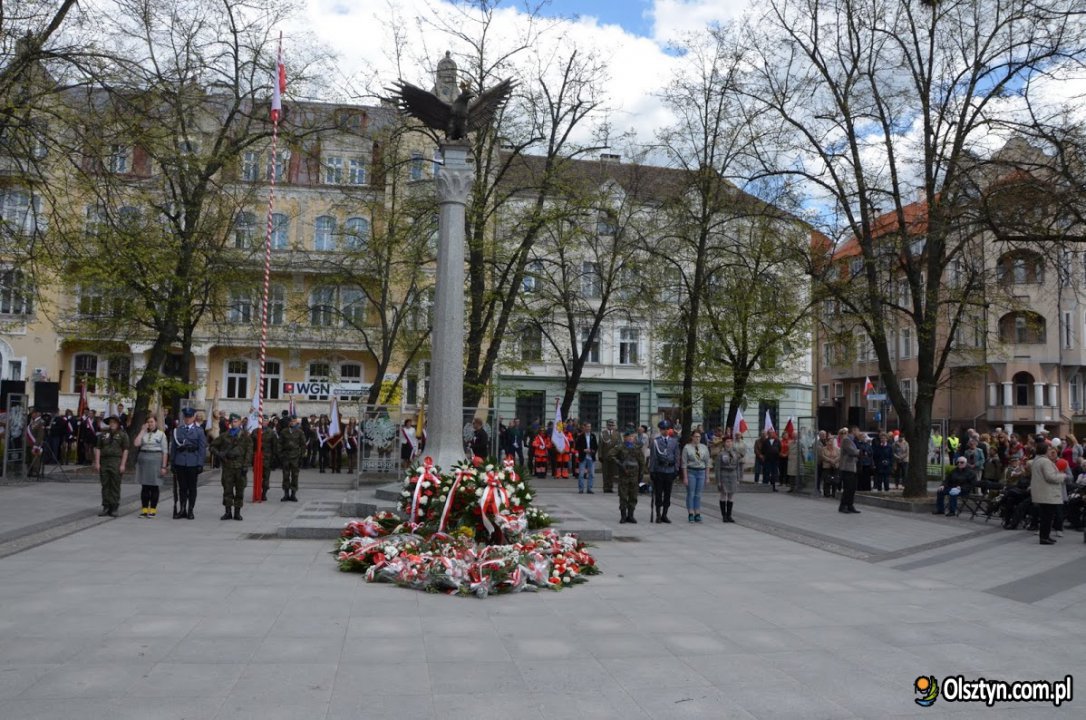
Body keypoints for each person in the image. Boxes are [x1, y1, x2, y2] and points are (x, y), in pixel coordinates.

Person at [211, 413, 252, 521]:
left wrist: (246, 465)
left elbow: (249, 451)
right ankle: (228, 512)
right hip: (228, 466)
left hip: (240, 467)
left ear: (239, 422)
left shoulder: (245, 436)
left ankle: (237, 512)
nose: (233, 424)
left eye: (235, 421)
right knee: (227, 490)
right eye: (232, 422)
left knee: (240, 490)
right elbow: (212, 446)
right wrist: (219, 454)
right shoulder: (224, 435)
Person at [171, 407, 207, 519]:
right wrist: (172, 463)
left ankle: (190, 510)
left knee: (192, 488)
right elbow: (173, 447)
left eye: (189, 417)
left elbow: (202, 449)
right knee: (182, 487)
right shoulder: (178, 430)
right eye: (185, 417)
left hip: (193, 462)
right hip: (180, 462)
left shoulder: (199, 431)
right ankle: (182, 509)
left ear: (193, 417)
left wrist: (200, 464)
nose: (187, 419)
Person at [607, 426, 645, 524]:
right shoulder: (620, 446)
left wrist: (641, 474)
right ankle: (623, 516)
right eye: (629, 437)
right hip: (624, 476)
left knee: (633, 496)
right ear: (625, 437)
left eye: (632, 436)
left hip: (634, 476)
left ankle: (631, 515)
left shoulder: (637, 447)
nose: (631, 438)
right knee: (623, 496)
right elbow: (610, 455)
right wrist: (619, 463)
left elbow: (641, 461)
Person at [94, 415, 129, 517]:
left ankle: (114, 507)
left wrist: (123, 464)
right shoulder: (103, 434)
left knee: (115, 484)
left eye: (114, 422)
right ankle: (106, 506)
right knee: (105, 484)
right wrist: (97, 462)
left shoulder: (123, 435)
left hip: (116, 461)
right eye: (111, 422)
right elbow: (98, 448)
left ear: (118, 424)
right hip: (104, 461)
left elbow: (125, 450)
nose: (112, 424)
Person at [133, 416, 169, 518]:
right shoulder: (143, 433)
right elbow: (136, 444)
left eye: (152, 422)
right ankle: (144, 510)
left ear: (156, 423)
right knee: (145, 486)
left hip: (156, 459)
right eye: (148, 422)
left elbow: (165, 452)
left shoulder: (161, 434)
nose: (150, 424)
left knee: (154, 486)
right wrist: (142, 431)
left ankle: (152, 509)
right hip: (143, 459)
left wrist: (164, 466)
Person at [1030, 443, 1064, 545]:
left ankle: (1045, 536)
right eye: (1049, 449)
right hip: (1047, 493)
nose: (1051, 451)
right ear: (1045, 450)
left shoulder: (1037, 460)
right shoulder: (1045, 462)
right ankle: (1044, 537)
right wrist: (1062, 476)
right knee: (1047, 517)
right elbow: (1050, 477)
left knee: (1045, 516)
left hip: (1042, 492)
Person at [648, 420, 679, 523]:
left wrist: (676, 469)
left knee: (667, 494)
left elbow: (676, 456)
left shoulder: (674, 441)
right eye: (663, 429)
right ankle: (658, 514)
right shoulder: (656, 441)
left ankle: (664, 514)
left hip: (670, 470)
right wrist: (652, 471)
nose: (665, 431)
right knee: (658, 493)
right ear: (660, 430)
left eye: (667, 429)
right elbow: (653, 457)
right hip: (659, 470)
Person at [714, 435, 744, 523]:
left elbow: (737, 466)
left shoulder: (735, 454)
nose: (729, 443)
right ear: (724, 443)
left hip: (733, 475)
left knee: (731, 495)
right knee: (723, 494)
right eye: (727, 441)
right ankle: (724, 515)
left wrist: (738, 478)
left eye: (730, 441)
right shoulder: (721, 454)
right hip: (724, 475)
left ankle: (729, 515)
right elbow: (717, 468)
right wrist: (718, 480)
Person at [682, 430, 709, 522]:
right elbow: (684, 464)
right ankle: (690, 513)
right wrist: (685, 477)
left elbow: (707, 463)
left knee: (698, 494)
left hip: (701, 472)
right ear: (692, 437)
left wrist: (707, 476)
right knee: (691, 493)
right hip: (691, 472)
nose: (697, 438)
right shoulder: (687, 448)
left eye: (699, 437)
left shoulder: (704, 447)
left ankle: (697, 513)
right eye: (696, 436)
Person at [279, 415, 305, 501]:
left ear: (296, 421)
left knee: (295, 476)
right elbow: (280, 444)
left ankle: (293, 494)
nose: (292, 422)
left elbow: (303, 445)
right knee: (285, 476)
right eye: (291, 421)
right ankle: (286, 494)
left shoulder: (300, 432)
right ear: (289, 422)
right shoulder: (284, 431)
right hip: (286, 457)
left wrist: (301, 456)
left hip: (295, 457)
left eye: (294, 421)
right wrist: (280, 455)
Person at [838, 427, 861, 514]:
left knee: (852, 488)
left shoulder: (852, 440)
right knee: (848, 488)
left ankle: (850, 505)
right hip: (847, 467)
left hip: (852, 467)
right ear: (853, 431)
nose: (859, 432)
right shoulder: (846, 440)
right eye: (858, 430)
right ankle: (843, 506)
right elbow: (852, 451)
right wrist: (860, 452)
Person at [574, 422, 598, 494]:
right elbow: (577, 446)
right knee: (581, 474)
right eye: (587, 427)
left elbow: (596, 446)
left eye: (590, 427)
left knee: (591, 474)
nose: (588, 428)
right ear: (584, 427)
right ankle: (581, 489)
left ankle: (589, 488)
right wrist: (583, 450)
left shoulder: (593, 436)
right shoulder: (580, 436)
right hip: (583, 457)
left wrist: (591, 450)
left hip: (591, 457)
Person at [599, 419, 622, 493]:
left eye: (612, 425)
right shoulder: (603, 433)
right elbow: (600, 446)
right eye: (609, 425)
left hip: (614, 456)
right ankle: (606, 487)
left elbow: (620, 444)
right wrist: (600, 456)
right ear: (607, 425)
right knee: (605, 472)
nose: (611, 426)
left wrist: (619, 455)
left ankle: (610, 487)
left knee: (612, 472)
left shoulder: (617, 434)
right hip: (605, 456)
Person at [259, 415, 279, 501]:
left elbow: (275, 446)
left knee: (266, 477)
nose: (264, 422)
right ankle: (257, 492)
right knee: (258, 477)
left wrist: (274, 458)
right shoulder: (256, 431)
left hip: (267, 458)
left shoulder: (271, 432)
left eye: (266, 421)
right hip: (258, 459)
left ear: (268, 422)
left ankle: (264, 493)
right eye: (263, 420)